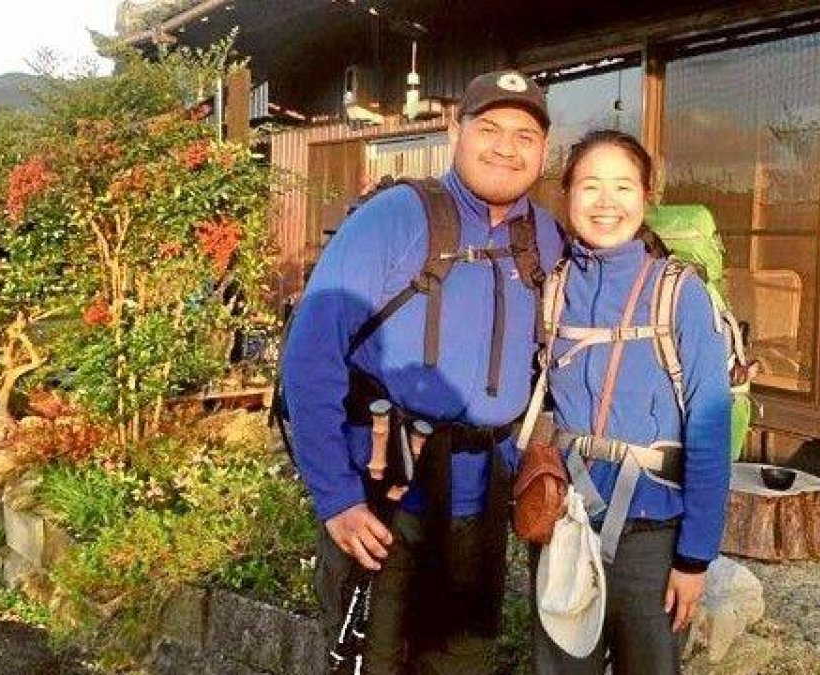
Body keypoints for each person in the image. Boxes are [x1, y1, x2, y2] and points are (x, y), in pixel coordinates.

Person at [281, 70, 564, 674]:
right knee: (371, 663)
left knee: (462, 663)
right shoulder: (396, 217)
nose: (506, 148)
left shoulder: (545, 237)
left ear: (544, 150)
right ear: (455, 132)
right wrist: (335, 496)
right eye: (489, 128)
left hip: (479, 507)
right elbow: (310, 356)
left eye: (525, 136)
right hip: (384, 498)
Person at [529, 129, 732, 675]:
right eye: (590, 185)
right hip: (565, 523)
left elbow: (710, 429)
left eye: (623, 186)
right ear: (567, 193)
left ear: (646, 197)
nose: (606, 202)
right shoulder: (553, 288)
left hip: (653, 537)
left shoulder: (680, 293)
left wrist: (695, 557)